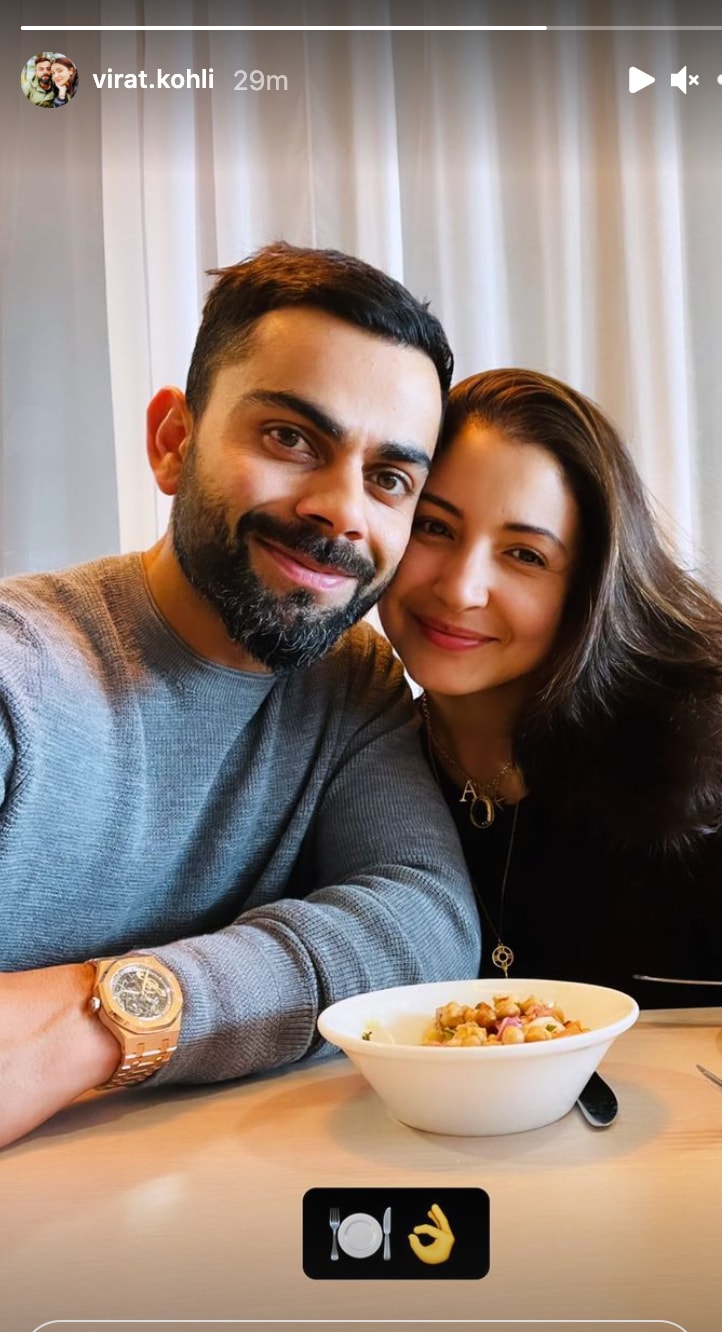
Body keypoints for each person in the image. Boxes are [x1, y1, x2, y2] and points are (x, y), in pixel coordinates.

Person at [0, 242, 480, 1148]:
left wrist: (100, 1021)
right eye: (291, 438)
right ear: (173, 442)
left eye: (389, 479)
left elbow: (426, 921)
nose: (342, 511)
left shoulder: (355, 685)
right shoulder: (20, 680)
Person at [379, 368, 722, 1008]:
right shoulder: (357, 768)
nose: (460, 588)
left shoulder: (711, 798)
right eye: (435, 528)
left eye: (525, 555)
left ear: (591, 590)